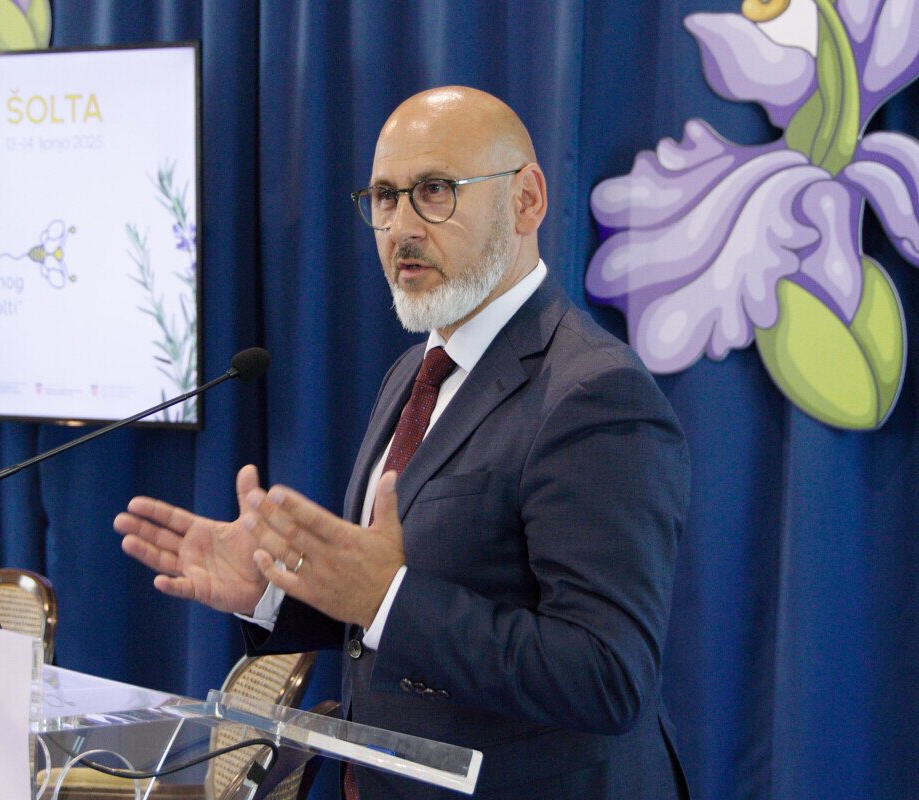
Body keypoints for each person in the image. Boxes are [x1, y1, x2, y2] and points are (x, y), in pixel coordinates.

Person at [116, 86, 691, 799]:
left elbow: (607, 675)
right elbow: (394, 606)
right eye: (385, 197)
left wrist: (389, 595)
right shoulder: (413, 372)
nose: (400, 226)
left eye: (435, 190)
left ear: (527, 200)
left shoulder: (593, 392)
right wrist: (272, 591)